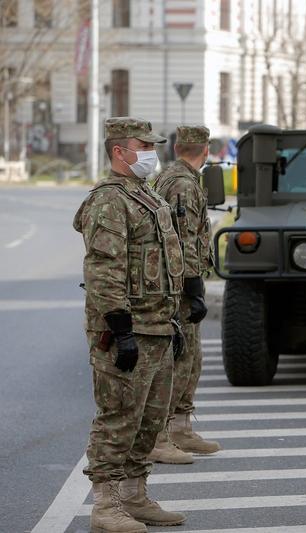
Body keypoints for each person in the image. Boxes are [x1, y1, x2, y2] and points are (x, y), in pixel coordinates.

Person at [73, 117, 187, 532]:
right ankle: (106, 504)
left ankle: (135, 495)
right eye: (144, 146)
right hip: (126, 328)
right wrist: (120, 331)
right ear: (120, 151)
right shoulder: (109, 201)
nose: (152, 153)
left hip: (158, 325)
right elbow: (105, 270)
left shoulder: (145, 195)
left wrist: (173, 318)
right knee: (119, 416)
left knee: (151, 419)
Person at [150, 125, 220, 464]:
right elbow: (184, 238)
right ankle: (161, 435)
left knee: (190, 358)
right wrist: (193, 285)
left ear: (178, 147)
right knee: (180, 358)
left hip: (178, 281)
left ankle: (180, 428)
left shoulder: (179, 178)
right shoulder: (182, 183)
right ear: (205, 150)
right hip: (178, 285)